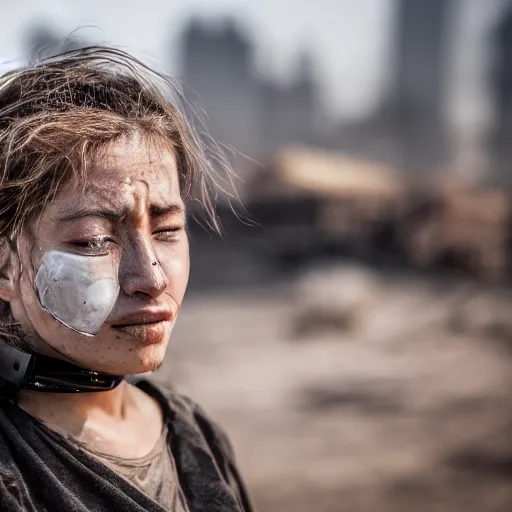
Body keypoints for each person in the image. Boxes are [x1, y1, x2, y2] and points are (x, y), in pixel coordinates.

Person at [0, 46, 254, 512]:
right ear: (4, 265)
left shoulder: (194, 434)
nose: (151, 278)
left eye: (167, 230)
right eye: (96, 240)